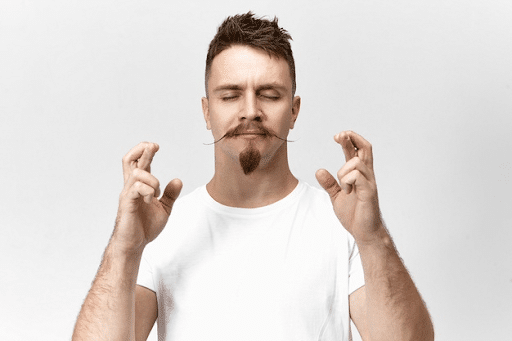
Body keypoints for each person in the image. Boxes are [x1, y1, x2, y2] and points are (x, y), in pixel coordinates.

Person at [72, 12, 434, 341]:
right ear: (206, 111)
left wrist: (373, 239)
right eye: (230, 95)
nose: (250, 112)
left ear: (293, 111)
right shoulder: (160, 229)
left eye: (269, 95)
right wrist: (125, 248)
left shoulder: (344, 225)